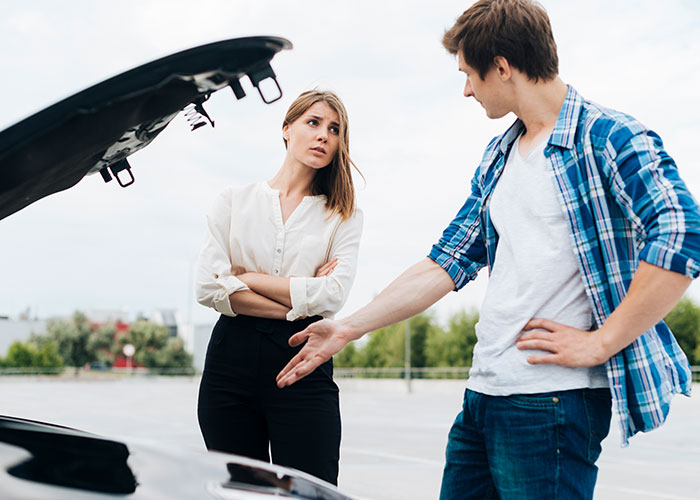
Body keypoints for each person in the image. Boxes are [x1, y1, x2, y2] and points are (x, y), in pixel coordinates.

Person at [276, 1, 700, 498]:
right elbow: (445, 261)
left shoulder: (608, 137)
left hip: (553, 403)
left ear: (501, 66)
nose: (466, 89)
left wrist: (603, 342)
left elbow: (681, 233)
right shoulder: (500, 155)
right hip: (484, 393)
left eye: (469, 74)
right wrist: (347, 328)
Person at [194, 89, 363, 485]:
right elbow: (207, 287)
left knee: (311, 490)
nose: (324, 135)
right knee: (240, 493)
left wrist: (247, 278)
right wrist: (300, 300)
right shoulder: (233, 201)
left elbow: (333, 295)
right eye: (313, 122)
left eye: (334, 129)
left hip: (303, 360)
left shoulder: (342, 214)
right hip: (229, 365)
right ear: (287, 130)